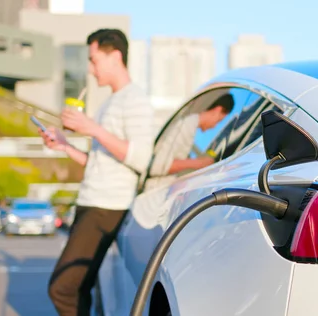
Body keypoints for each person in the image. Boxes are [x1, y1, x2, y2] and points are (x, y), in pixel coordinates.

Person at [40, 28, 154, 316]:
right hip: (92, 202)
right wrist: (66, 146)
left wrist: (92, 128)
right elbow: (100, 162)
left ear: (114, 56)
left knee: (62, 288)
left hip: (106, 206)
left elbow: (141, 158)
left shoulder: (135, 99)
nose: (91, 70)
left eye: (93, 60)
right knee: (76, 288)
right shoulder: (110, 102)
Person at [149, 93, 234, 178]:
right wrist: (199, 163)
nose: (214, 126)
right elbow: (157, 165)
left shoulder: (190, 126)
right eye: (219, 121)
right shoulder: (186, 124)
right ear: (217, 110)